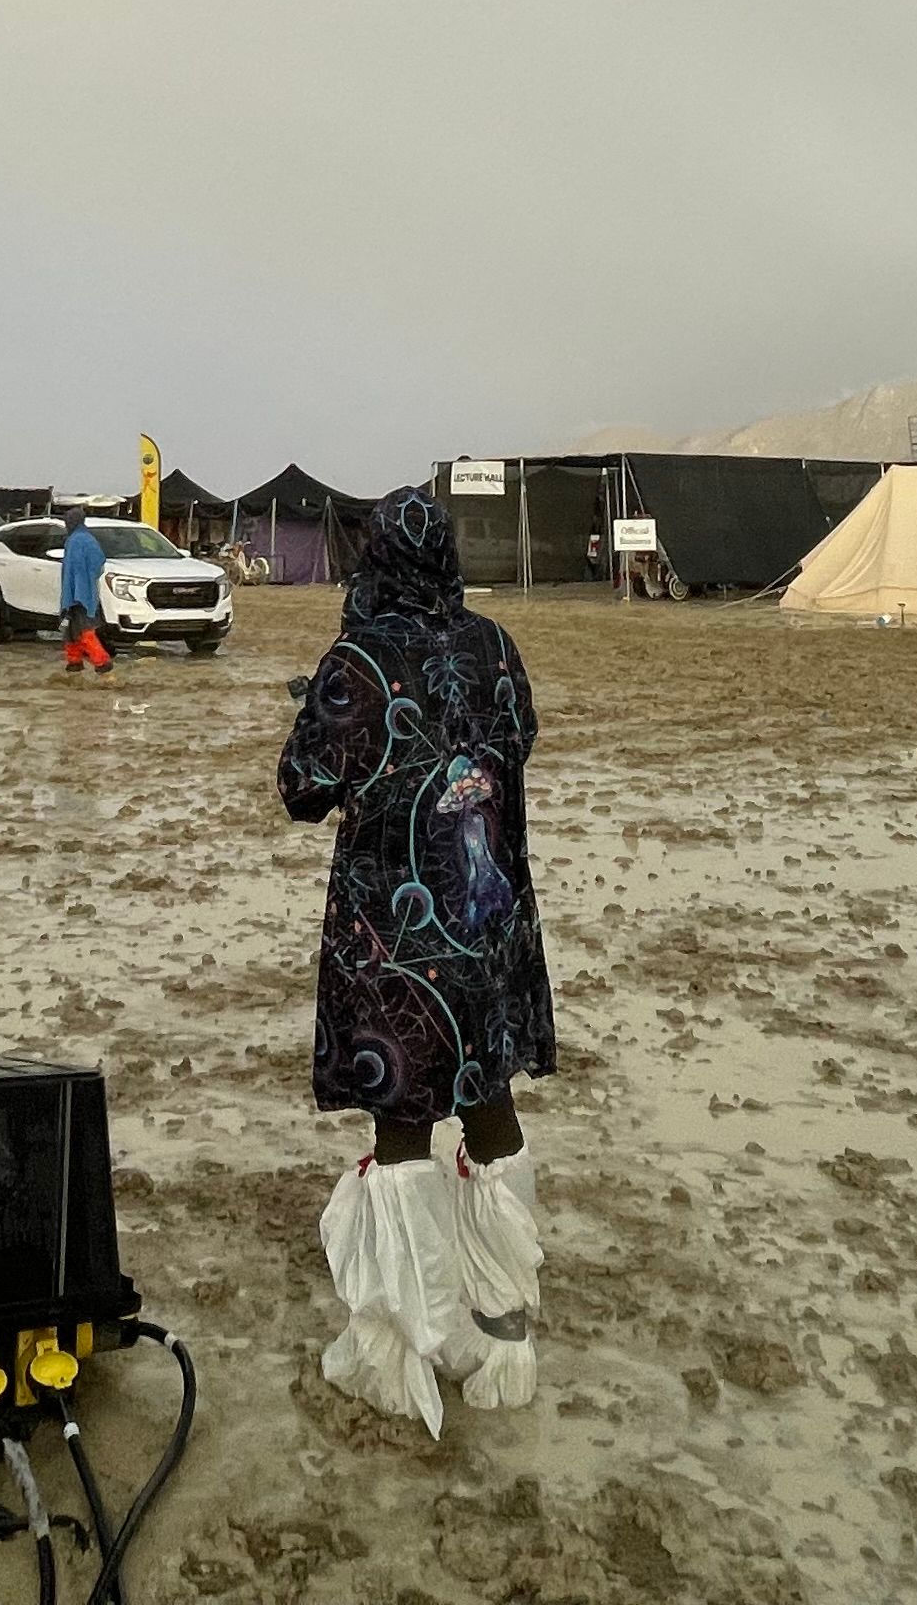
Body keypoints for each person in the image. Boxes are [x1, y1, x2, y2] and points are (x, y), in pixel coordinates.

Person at [279, 484, 555, 1435]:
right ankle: (504, 1333)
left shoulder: (357, 657)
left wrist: (325, 709)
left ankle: (405, 1352)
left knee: (402, 1126)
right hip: (487, 923)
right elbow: (514, 742)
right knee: (489, 1102)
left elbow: (302, 787)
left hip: (393, 945)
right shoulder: (496, 646)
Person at [55, 510, 112, 677]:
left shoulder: (76, 540)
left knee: (83, 629)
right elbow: (99, 562)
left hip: (78, 595)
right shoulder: (86, 539)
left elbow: (79, 568)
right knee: (71, 631)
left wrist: (79, 587)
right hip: (81, 593)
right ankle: (74, 665)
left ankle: (102, 663)